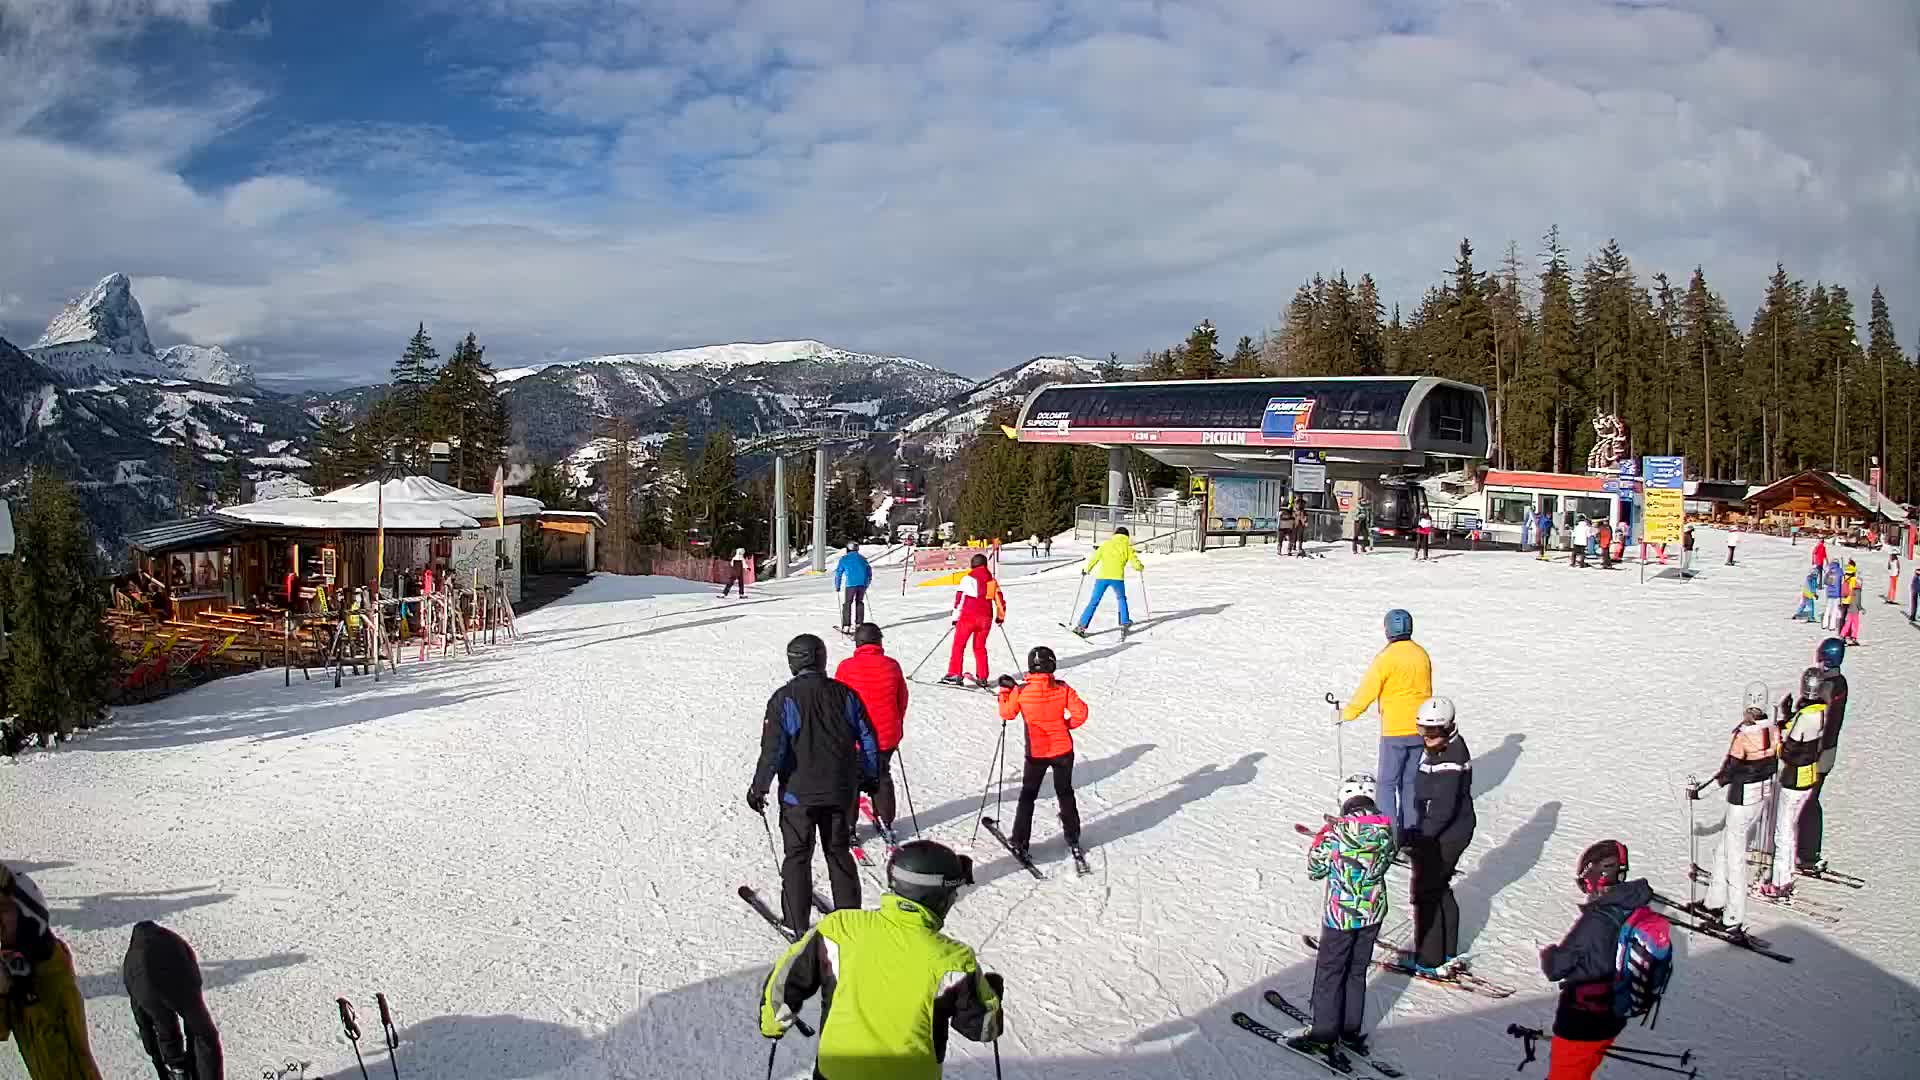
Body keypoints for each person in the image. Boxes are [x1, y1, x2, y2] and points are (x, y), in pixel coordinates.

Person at [759, 840, 1003, 1078]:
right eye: (953, 895)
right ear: (939, 898)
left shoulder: (840, 928)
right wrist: (991, 995)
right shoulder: (954, 959)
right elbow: (981, 1028)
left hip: (837, 1072)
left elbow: (786, 979)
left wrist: (773, 1024)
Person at [748, 634, 881, 935]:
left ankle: (796, 923)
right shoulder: (845, 694)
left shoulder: (783, 699)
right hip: (840, 792)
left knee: (797, 856)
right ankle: (851, 921)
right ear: (821, 659)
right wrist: (870, 776)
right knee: (838, 851)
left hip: (799, 796)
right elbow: (869, 740)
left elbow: (773, 751)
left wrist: (759, 788)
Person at [1288, 775, 1397, 1067]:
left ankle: (1323, 1034)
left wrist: (1324, 843)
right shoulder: (1385, 827)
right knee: (1356, 970)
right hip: (1372, 910)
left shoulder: (1334, 832)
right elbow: (1386, 859)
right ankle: (1350, 1029)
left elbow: (1315, 870)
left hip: (1342, 914)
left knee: (1331, 972)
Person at [1538, 842, 1657, 1080]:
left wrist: (1549, 953)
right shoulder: (1633, 905)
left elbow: (1556, 969)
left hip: (1582, 1020)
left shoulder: (1596, 921)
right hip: (1613, 1014)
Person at [1686, 683, 1778, 944]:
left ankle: (1733, 918)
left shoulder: (1744, 736)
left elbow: (1728, 772)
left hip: (1742, 799)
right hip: (1762, 796)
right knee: (1724, 849)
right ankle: (1714, 900)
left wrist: (1699, 793)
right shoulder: (1773, 729)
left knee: (1735, 859)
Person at [1, 863, 103, 1080]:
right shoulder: (13, 964)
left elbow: (60, 1055)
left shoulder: (50, 967)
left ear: (28, 915)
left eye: (3, 910)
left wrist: (24, 990)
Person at [1339, 609, 1433, 844]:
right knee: (1410, 782)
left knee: (1387, 784)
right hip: (1420, 728)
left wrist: (1347, 714)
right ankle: (1411, 832)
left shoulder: (1386, 658)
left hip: (1395, 730)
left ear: (1388, 630)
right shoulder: (1421, 654)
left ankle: (1387, 836)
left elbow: (1368, 691)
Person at [995, 646, 1089, 861]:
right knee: (1064, 791)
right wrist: (1066, 726)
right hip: (1063, 750)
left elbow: (1007, 713)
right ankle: (1073, 835)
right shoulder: (1062, 688)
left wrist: (1005, 692)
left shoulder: (1022, 691)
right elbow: (1081, 713)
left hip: (1037, 753)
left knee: (1028, 795)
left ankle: (1020, 842)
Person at [1409, 698, 1475, 976]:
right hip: (1450, 829)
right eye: (1423, 730)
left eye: (1433, 732)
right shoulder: (1444, 747)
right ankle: (1448, 948)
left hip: (1447, 835)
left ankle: (1430, 959)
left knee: (1427, 893)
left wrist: (1421, 840)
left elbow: (1443, 810)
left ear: (1449, 728)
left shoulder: (1450, 760)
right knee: (1440, 885)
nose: (1427, 738)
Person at [834, 623, 910, 839]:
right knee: (881, 776)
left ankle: (848, 828)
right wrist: (895, 723)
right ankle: (886, 822)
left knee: (851, 780)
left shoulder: (846, 667)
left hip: (856, 739)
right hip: (886, 737)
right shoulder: (892, 666)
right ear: (879, 642)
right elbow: (902, 699)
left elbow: (838, 703)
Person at [123, 921, 223, 1080]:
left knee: (165, 1031)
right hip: (179, 981)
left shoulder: (129, 963)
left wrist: (159, 1065)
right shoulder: (174, 940)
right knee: (203, 1035)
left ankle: (177, 1070)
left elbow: (144, 1025)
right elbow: (194, 976)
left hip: (147, 992)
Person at [1763, 667, 1830, 900]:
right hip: (1810, 774)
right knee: (1791, 827)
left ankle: (1780, 882)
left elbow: (1789, 752)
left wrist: (1779, 740)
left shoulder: (1804, 718)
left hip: (1795, 778)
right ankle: (1787, 871)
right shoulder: (1821, 711)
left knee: (1783, 831)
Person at [1794, 638, 1849, 875]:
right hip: (1829, 751)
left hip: (1818, 753)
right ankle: (1807, 849)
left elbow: (1815, 719)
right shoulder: (1839, 682)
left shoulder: (1827, 687)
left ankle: (1807, 854)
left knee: (1807, 800)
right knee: (1810, 799)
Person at [944, 554, 1006, 687]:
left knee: (959, 645)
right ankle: (982, 677)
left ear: (973, 565)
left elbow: (959, 599)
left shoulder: (968, 578)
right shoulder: (991, 580)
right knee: (979, 647)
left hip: (969, 617)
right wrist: (1000, 617)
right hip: (986, 618)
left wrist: (955, 618)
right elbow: (999, 600)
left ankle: (954, 674)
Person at [1075, 527, 1143, 635]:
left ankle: (1081, 626)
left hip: (1102, 577)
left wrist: (1086, 570)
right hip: (1117, 578)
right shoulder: (1127, 547)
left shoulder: (1106, 545)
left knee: (1094, 601)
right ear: (1127, 536)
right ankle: (1125, 621)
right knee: (1121, 599)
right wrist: (1140, 567)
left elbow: (1094, 558)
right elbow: (1135, 563)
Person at [834, 543, 873, 632]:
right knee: (859, 602)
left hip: (851, 584)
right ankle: (859, 624)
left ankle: (846, 625)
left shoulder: (844, 559)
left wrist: (837, 585)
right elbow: (869, 571)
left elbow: (838, 573)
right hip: (862, 584)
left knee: (847, 603)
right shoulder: (862, 559)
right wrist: (867, 583)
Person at [1838, 563, 1863, 645]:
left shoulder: (1845, 578)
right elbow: (1855, 596)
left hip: (1845, 601)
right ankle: (1853, 636)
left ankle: (1842, 635)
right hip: (1851, 603)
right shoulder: (1853, 580)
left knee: (1846, 621)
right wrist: (1860, 607)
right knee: (1854, 623)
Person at [1820, 559, 1843, 631]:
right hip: (1836, 593)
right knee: (1834, 609)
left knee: (1827, 609)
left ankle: (1824, 624)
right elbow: (1842, 577)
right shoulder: (1839, 571)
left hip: (1829, 593)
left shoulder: (1829, 571)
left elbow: (1825, 581)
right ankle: (1832, 626)